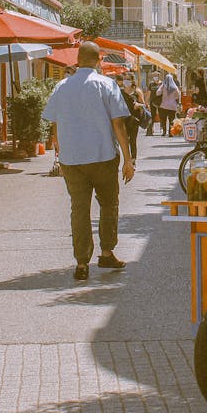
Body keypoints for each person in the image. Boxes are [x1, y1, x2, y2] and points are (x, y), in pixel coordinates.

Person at [43, 41, 134, 281]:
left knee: (79, 209)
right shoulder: (106, 85)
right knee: (108, 204)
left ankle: (81, 262)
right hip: (103, 155)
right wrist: (128, 159)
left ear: (77, 59)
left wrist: (59, 148)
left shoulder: (61, 87)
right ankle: (106, 252)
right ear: (98, 60)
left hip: (72, 159)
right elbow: (118, 123)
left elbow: (54, 122)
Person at [120, 73, 146, 160]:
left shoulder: (137, 91)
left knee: (133, 140)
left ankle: (133, 159)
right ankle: (127, 159)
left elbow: (144, 105)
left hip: (134, 120)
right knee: (124, 140)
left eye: (128, 79)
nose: (125, 81)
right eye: (124, 79)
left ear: (132, 80)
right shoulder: (120, 92)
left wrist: (138, 105)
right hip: (124, 119)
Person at [158, 72, 181, 136]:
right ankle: (171, 132)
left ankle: (164, 132)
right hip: (172, 106)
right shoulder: (174, 87)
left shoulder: (163, 86)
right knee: (171, 119)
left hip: (163, 106)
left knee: (163, 119)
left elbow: (158, 93)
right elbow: (177, 96)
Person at [146, 71, 162, 136]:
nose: (155, 77)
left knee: (162, 116)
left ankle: (162, 128)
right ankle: (150, 130)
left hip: (161, 102)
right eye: (154, 76)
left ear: (158, 76)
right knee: (152, 116)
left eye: (156, 75)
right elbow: (148, 94)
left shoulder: (162, 84)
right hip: (152, 102)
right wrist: (146, 103)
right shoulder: (151, 84)